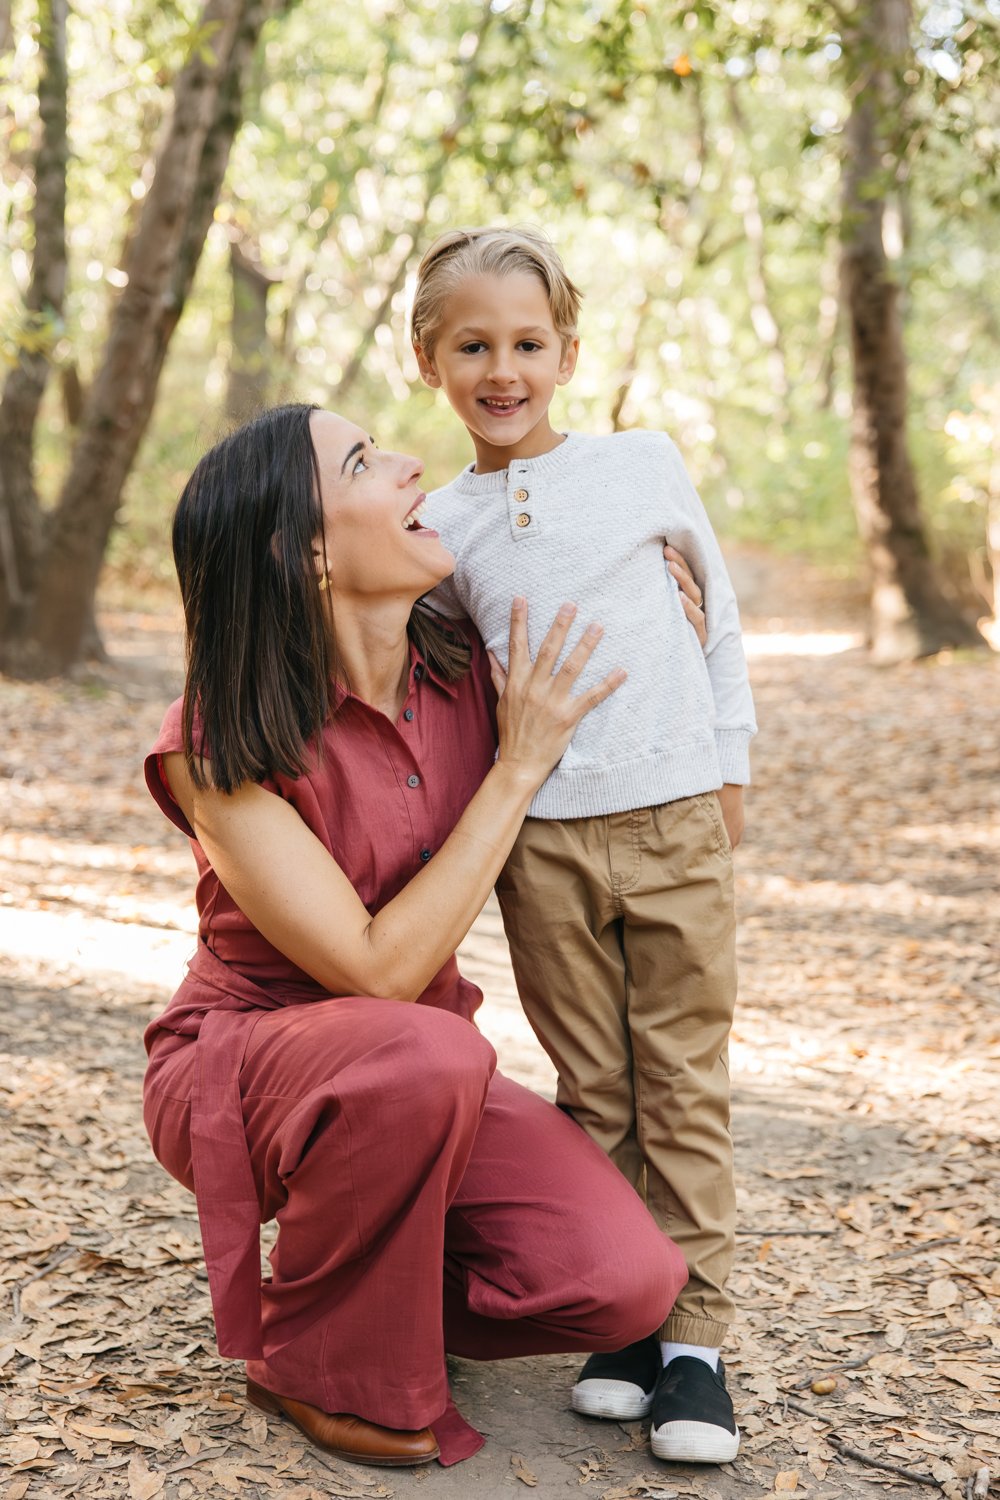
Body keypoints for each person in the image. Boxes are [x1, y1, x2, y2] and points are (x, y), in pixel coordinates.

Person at [141, 402, 699, 1470]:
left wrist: (671, 604)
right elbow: (379, 973)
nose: (410, 464)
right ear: (303, 549)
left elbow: (606, 633)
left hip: (429, 1079)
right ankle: (313, 1363)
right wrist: (516, 768)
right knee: (424, 1044)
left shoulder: (463, 666)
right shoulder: (216, 741)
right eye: (361, 460)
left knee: (625, 1281)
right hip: (248, 1070)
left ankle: (348, 1289)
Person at [411, 226, 758, 1465]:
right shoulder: (438, 527)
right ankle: (628, 1318)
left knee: (680, 1080)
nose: (502, 368)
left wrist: (727, 772)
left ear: (567, 351)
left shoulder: (641, 465)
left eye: (526, 343)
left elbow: (715, 622)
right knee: (595, 1090)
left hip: (670, 817)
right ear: (429, 358)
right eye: (473, 345)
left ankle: (697, 1349)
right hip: (543, 843)